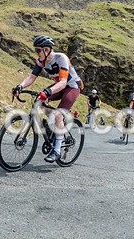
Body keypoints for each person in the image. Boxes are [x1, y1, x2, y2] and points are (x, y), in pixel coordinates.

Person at [11, 35, 84, 163]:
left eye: (38, 50)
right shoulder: (41, 61)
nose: (37, 53)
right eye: (36, 50)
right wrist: (20, 86)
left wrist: (48, 91)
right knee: (39, 101)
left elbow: (62, 82)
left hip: (72, 87)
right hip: (60, 86)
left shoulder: (61, 58)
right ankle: (53, 127)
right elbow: (32, 77)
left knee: (58, 116)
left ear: (47, 49)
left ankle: (56, 150)